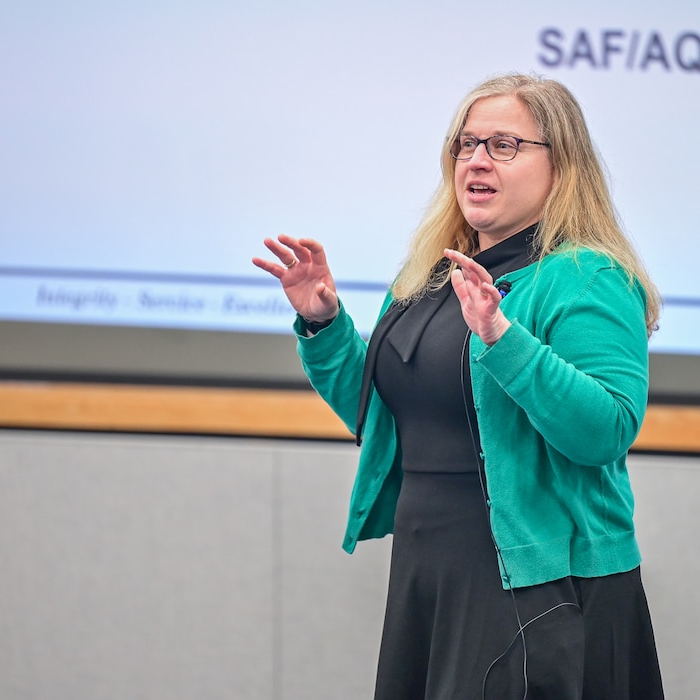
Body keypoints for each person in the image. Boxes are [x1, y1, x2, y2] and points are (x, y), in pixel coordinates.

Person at [253, 73, 664, 700]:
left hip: (539, 585)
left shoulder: (587, 277)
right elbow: (388, 421)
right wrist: (325, 325)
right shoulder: (427, 276)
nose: (476, 159)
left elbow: (605, 429)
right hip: (430, 575)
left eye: (504, 145)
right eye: (466, 144)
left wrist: (503, 338)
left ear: (563, 165)